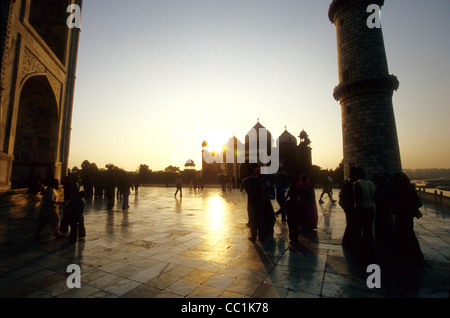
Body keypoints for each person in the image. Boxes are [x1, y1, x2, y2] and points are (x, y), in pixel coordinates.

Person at [390, 172, 424, 260]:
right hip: (408, 214)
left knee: (404, 232)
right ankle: (413, 252)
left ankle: (408, 252)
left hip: (402, 214)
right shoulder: (410, 187)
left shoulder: (399, 189)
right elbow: (417, 202)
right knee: (408, 232)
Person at [353, 167, 376, 248]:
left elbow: (358, 200)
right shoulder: (371, 183)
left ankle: (361, 247)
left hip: (362, 210)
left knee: (358, 229)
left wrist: (355, 212)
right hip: (370, 209)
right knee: (368, 230)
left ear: (356, 175)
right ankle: (370, 246)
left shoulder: (357, 184)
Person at [242, 167, 264, 241]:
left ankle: (253, 236)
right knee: (260, 218)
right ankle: (261, 235)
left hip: (251, 202)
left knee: (253, 219)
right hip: (259, 201)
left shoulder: (245, 181)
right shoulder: (258, 180)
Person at [339, 168, 358, 249]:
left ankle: (349, 240)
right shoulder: (351, 183)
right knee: (351, 223)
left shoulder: (346, 181)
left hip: (346, 204)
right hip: (349, 205)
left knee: (350, 222)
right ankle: (348, 241)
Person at [373, 173, 393, 244]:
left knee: (382, 224)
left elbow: (375, 198)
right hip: (386, 209)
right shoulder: (388, 187)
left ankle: (382, 238)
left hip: (381, 210)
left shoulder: (380, 188)